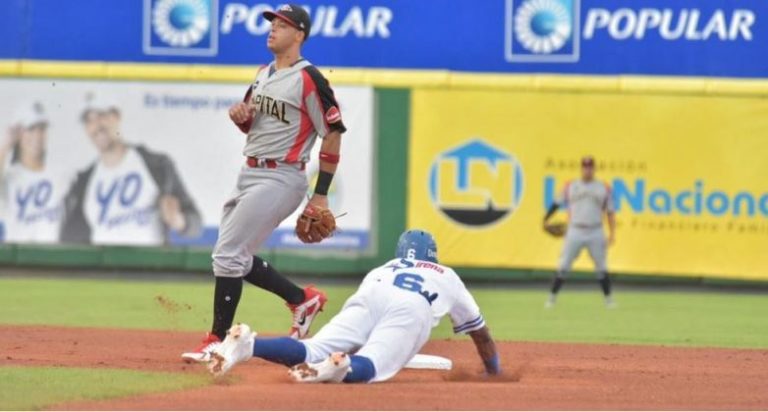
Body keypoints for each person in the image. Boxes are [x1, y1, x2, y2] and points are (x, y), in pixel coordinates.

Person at [181, 4, 347, 361]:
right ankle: (303, 300)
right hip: (250, 172)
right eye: (272, 23)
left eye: (282, 24)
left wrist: (320, 195)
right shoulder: (263, 73)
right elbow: (253, 122)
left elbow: (333, 132)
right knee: (234, 255)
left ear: (299, 35)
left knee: (228, 255)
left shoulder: (309, 78)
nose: (273, 29)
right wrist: (241, 118)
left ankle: (218, 339)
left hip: (282, 176)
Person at [206, 229, 501, 384]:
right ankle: (336, 369)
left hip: (372, 294)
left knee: (313, 348)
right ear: (433, 256)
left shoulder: (385, 267)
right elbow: (480, 333)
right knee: (372, 365)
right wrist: (493, 370)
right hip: (410, 308)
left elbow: (369, 322)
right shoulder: (446, 275)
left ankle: (249, 345)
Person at [60, 96, 202, 245]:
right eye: (89, 120)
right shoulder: (83, 182)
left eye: (101, 115)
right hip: (104, 261)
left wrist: (179, 221)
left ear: (117, 116)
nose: (96, 125)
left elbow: (196, 223)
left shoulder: (157, 165)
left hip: (150, 259)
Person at [543, 155, 617, 308]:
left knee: (602, 266)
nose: (587, 170)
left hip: (596, 230)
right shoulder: (570, 185)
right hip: (575, 230)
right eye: (585, 167)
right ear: (581, 169)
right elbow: (556, 203)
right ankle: (551, 298)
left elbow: (610, 212)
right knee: (563, 265)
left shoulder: (603, 187)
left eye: (590, 167)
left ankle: (609, 300)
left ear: (594, 169)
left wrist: (612, 233)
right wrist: (546, 218)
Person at [0, 103, 67, 243]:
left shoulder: (61, 175)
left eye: (42, 129)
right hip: (20, 254)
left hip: (54, 253)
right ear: (17, 134)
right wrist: (5, 145)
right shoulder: (9, 177)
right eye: (31, 128)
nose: (38, 135)